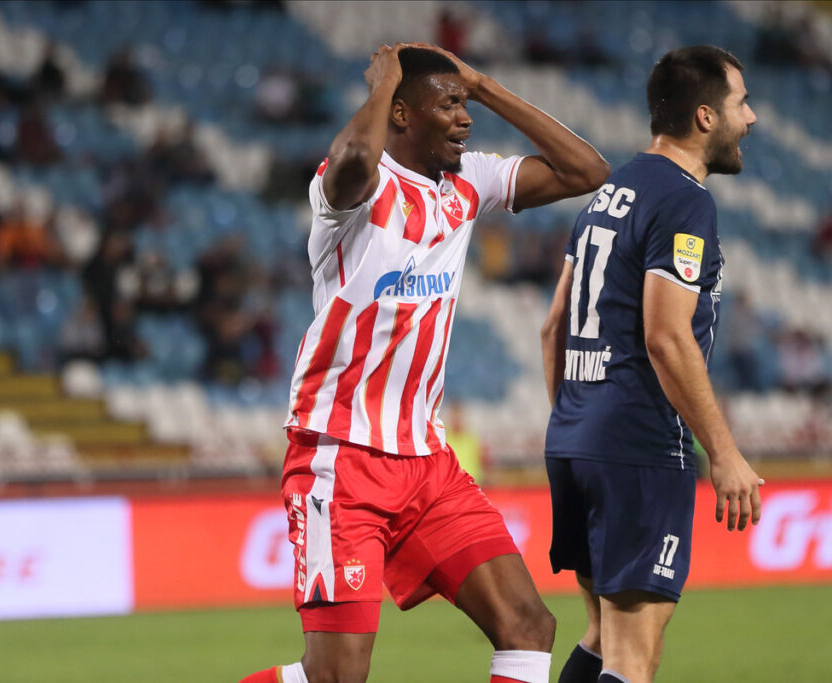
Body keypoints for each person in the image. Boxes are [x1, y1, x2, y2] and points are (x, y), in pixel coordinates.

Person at [239, 44, 608, 683]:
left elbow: (587, 172)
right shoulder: (357, 188)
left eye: (465, 106)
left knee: (528, 625)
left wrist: (485, 85)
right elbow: (355, 155)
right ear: (403, 115)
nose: (465, 120)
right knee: (335, 676)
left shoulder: (468, 181)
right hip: (341, 455)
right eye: (450, 106)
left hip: (426, 464)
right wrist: (382, 87)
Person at [541, 46, 763, 683]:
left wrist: (576, 421)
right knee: (635, 657)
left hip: (576, 436)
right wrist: (722, 452)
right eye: (740, 103)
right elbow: (667, 338)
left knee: (603, 637)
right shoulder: (684, 201)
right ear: (704, 117)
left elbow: (553, 326)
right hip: (636, 442)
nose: (751, 117)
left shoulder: (610, 192)